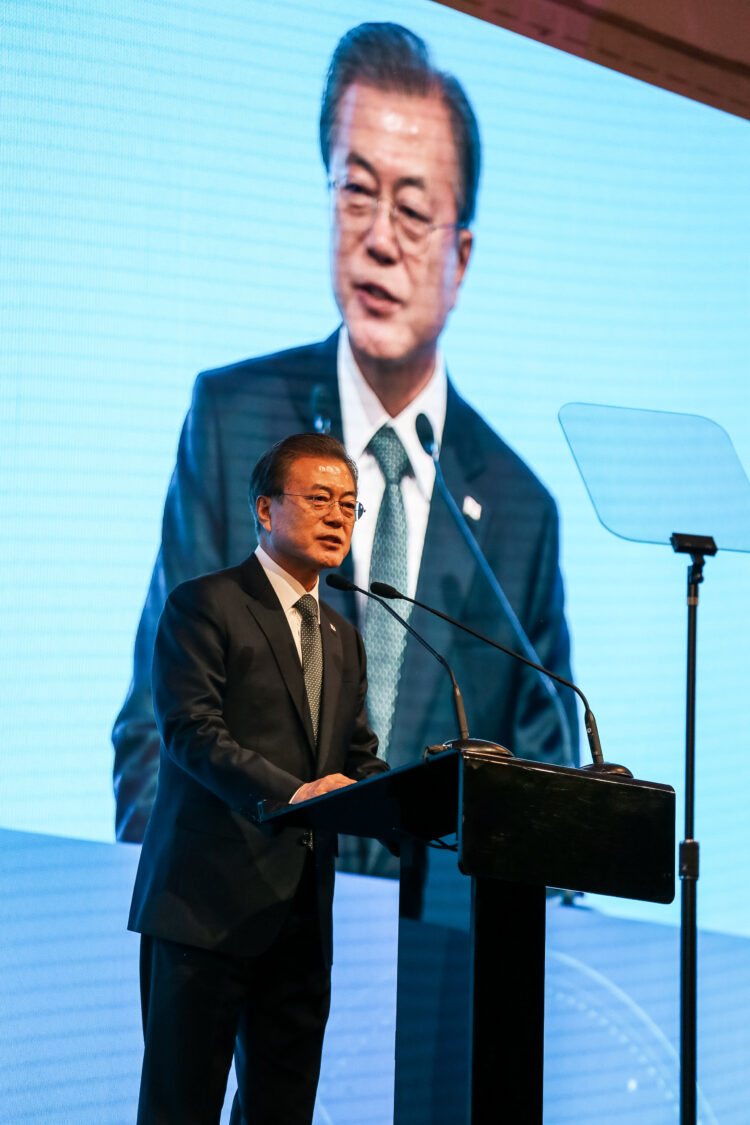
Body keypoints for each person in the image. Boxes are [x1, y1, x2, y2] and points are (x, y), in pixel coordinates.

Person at [114, 23, 578, 885]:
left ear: (462, 255)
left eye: (412, 209)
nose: (379, 237)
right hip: (243, 933)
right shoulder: (232, 419)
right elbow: (155, 724)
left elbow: (545, 784)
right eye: (357, 193)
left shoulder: (519, 510)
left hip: (437, 970)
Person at [129, 433, 387, 1124]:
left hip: (300, 924)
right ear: (266, 509)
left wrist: (419, 796)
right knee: (178, 1109)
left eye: (351, 505)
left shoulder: (342, 634)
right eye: (322, 499)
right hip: (204, 910)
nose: (339, 517)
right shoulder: (204, 604)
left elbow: (357, 754)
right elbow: (190, 731)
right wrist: (292, 793)